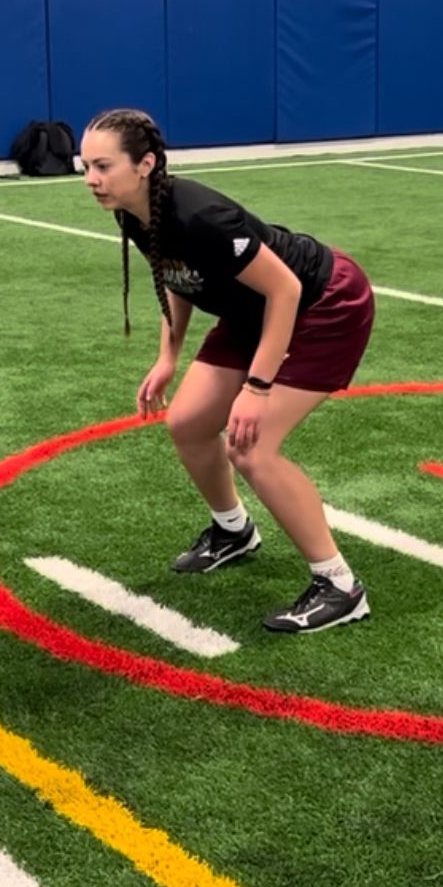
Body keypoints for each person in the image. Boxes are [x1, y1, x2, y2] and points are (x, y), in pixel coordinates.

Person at [80, 108, 374, 633]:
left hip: (324, 302)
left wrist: (257, 388)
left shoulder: (200, 217)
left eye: (102, 166)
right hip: (253, 308)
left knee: (250, 446)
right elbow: (175, 273)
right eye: (86, 166)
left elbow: (284, 289)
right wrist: (169, 355)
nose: (91, 180)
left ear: (145, 164)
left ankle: (339, 586)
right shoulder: (135, 208)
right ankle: (233, 530)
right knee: (189, 422)